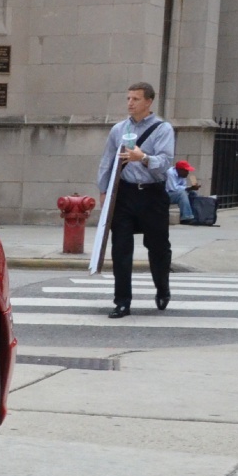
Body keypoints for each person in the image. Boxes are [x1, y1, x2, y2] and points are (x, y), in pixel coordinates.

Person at [97, 81, 175, 317]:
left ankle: (162, 288)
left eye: (136, 99)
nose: (130, 103)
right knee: (120, 247)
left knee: (158, 247)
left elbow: (165, 162)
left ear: (149, 102)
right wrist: (103, 191)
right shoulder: (118, 129)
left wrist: (143, 158)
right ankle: (122, 301)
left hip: (152, 194)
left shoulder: (163, 129)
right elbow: (107, 161)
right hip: (125, 194)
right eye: (128, 98)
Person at [166, 158, 200, 223]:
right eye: (186, 171)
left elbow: (183, 187)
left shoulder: (182, 175)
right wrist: (189, 188)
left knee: (192, 193)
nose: (188, 173)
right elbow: (173, 188)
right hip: (167, 194)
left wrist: (191, 188)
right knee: (182, 194)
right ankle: (186, 217)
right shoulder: (170, 173)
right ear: (179, 170)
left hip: (175, 193)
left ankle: (195, 214)